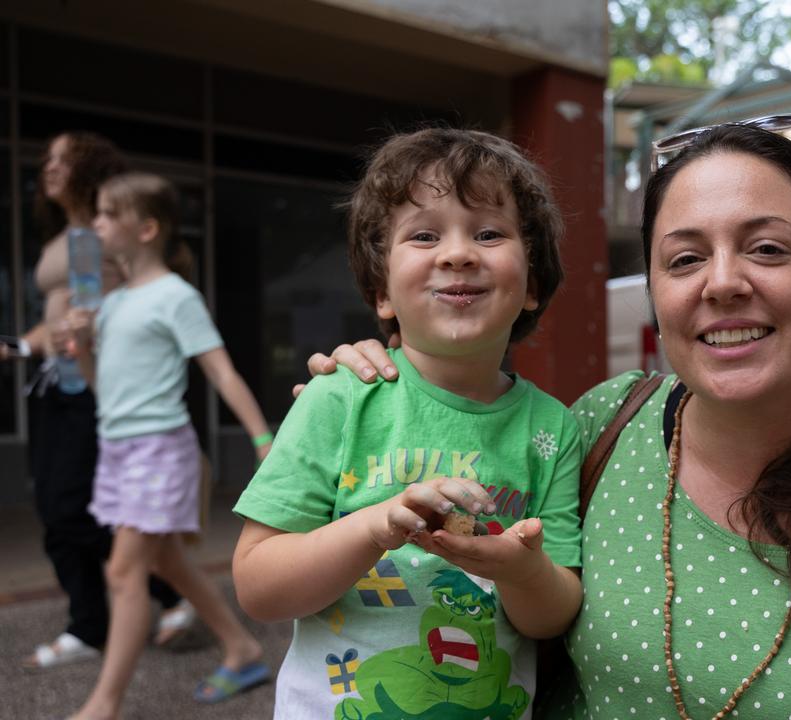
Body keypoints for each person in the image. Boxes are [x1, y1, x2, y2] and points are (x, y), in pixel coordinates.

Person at [311, 120, 791, 718]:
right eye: (685, 258)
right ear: (659, 299)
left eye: (766, 248)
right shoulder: (601, 425)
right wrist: (377, 383)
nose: (723, 282)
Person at [232, 128, 584, 719]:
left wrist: (525, 572)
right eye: (424, 235)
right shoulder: (340, 398)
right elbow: (258, 587)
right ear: (381, 292)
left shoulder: (552, 428)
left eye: (490, 233)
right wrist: (372, 528)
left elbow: (553, 615)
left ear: (534, 286)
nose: (457, 253)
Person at [64, 173, 272, 719]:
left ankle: (103, 706)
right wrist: (82, 344)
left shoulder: (176, 297)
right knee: (168, 565)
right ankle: (243, 649)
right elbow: (99, 387)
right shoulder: (110, 303)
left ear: (147, 228)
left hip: (159, 451)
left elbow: (223, 374)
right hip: (117, 450)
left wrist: (262, 439)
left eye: (108, 213)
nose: (97, 223)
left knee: (122, 573)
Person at [0, 132, 190, 671]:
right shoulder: (68, 237)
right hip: (55, 381)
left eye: (62, 158)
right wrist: (19, 345)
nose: (49, 166)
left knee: (75, 511)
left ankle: (100, 619)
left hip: (101, 387)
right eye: (47, 157)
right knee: (68, 509)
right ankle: (160, 596)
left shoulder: (103, 235)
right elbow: (60, 313)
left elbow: (132, 297)